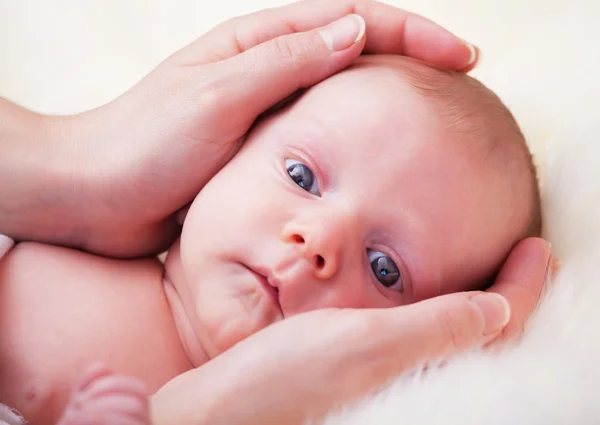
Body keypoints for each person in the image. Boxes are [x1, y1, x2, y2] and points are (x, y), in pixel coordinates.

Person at [0, 1, 553, 425]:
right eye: (301, 177)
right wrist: (67, 158)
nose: (318, 241)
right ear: (222, 151)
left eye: (385, 268)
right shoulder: (64, 230)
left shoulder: (255, 404)